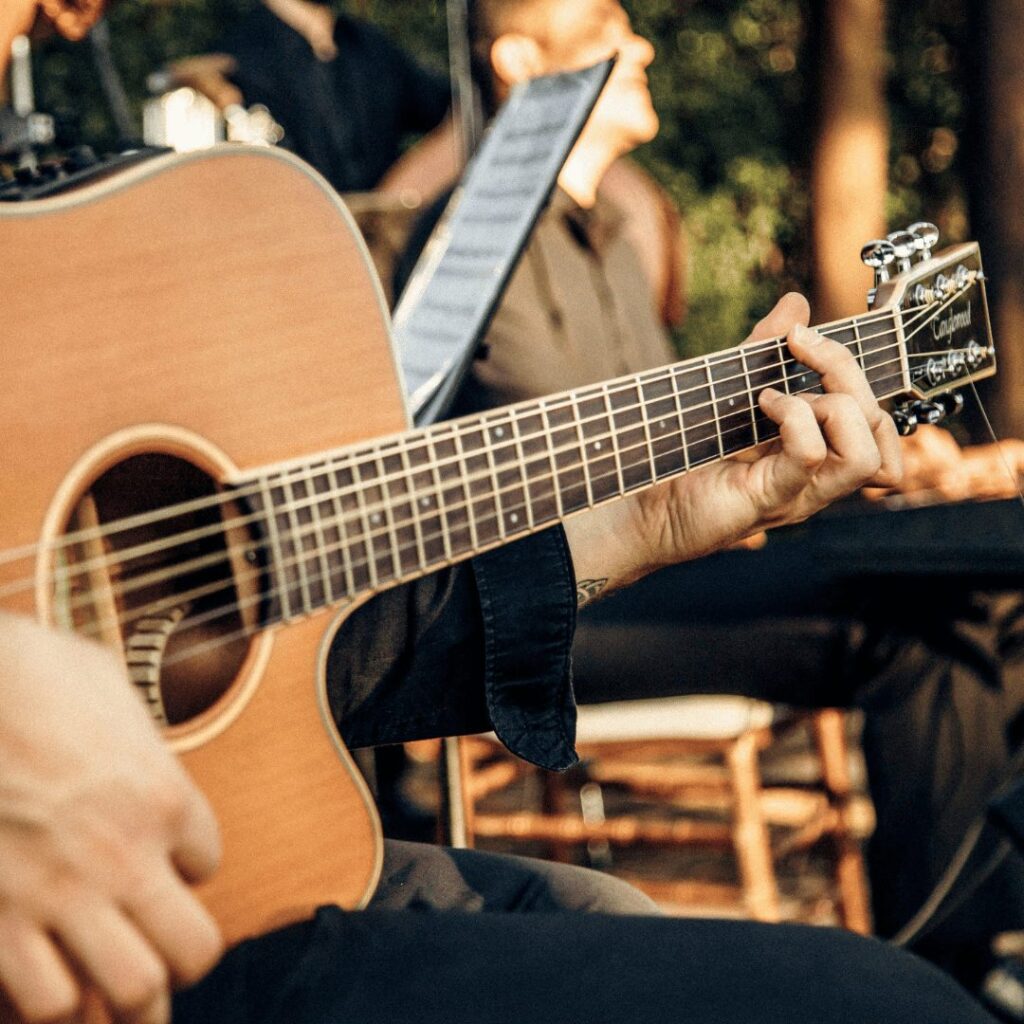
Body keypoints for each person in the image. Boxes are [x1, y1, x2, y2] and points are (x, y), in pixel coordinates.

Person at [0, 4, 1008, 1024]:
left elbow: (272, 603)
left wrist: (647, 518)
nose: (641, 46)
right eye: (606, 24)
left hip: (189, 849)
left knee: (612, 915)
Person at [388, 0, 1024, 990]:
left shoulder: (613, 235)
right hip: (561, 600)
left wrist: (859, 460)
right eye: (607, 29)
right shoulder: (475, 248)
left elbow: (680, 441)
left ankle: (979, 949)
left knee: (981, 593)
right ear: (517, 60)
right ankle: (944, 973)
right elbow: (581, 464)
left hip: (667, 559)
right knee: (922, 622)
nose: (640, 45)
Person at [167, 0, 450, 195]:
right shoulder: (231, 60)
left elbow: (455, 113)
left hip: (386, 252)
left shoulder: (371, 47)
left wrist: (404, 191)